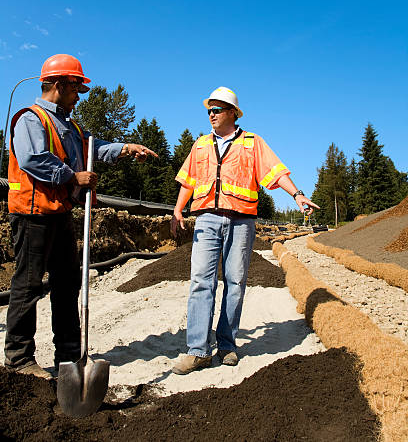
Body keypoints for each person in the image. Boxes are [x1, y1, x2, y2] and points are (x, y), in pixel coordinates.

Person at [4, 53, 157, 379]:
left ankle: (69, 356)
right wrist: (73, 178)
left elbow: (93, 147)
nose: (78, 96)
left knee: (67, 283)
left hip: (59, 213)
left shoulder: (70, 125)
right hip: (32, 214)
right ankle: (18, 359)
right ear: (58, 85)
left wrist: (126, 148)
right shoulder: (31, 119)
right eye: (76, 89)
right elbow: (33, 159)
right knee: (28, 285)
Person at [170, 86, 319, 375]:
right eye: (208, 110)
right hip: (206, 219)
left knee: (235, 282)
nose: (211, 115)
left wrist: (297, 194)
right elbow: (188, 181)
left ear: (232, 113)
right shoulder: (200, 144)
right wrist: (178, 210)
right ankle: (198, 350)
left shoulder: (252, 143)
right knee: (201, 281)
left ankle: (226, 345)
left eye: (216, 110)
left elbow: (275, 172)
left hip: (241, 222)